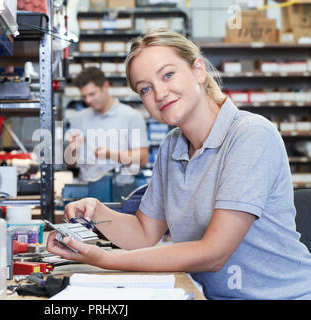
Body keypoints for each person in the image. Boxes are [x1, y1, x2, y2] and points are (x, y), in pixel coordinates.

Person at [47, 29, 311, 300]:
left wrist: (103, 259)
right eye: (145, 88)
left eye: (168, 74)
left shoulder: (250, 134)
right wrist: (98, 213)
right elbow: (144, 233)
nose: (159, 93)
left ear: (198, 70)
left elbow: (214, 253)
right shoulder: (173, 145)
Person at [66, 67, 149, 186]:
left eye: (92, 94)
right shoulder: (79, 118)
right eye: (84, 96)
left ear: (105, 86)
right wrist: (72, 149)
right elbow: (71, 164)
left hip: (120, 189)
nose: (88, 100)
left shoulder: (131, 116)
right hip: (85, 189)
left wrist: (110, 154)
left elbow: (142, 159)